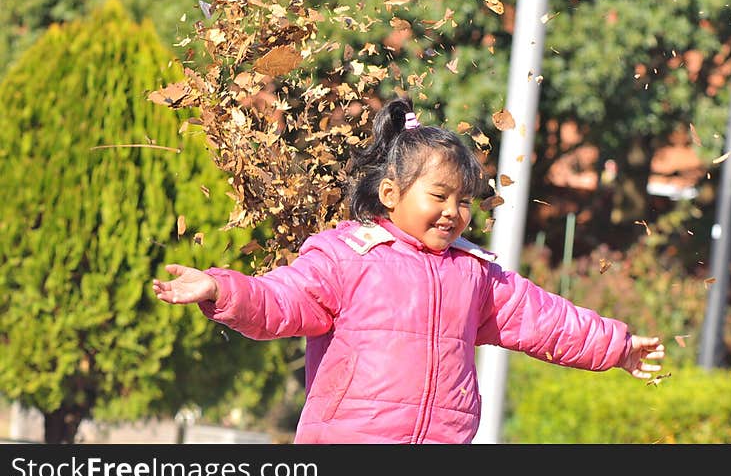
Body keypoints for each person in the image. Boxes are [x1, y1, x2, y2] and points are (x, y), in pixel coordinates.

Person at [153, 96, 665, 443]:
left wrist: (615, 346)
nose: (453, 211)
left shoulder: (474, 273)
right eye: (438, 196)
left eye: (464, 201)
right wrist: (220, 288)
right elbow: (279, 300)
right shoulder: (348, 256)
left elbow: (546, 319)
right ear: (391, 194)